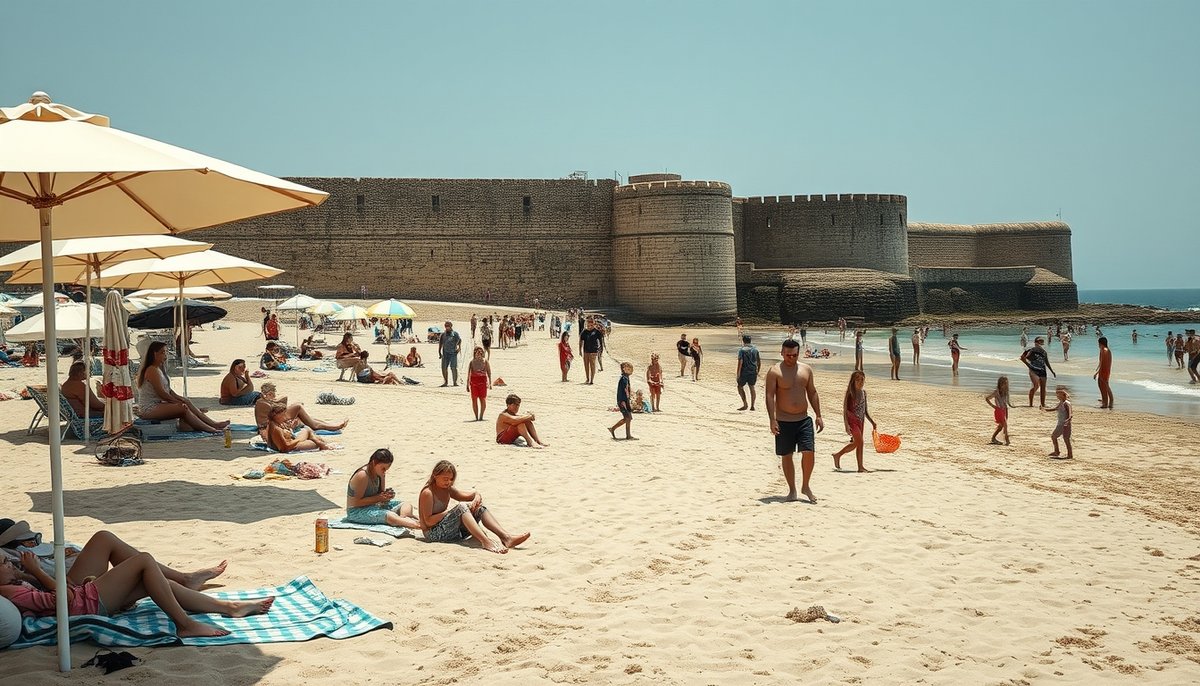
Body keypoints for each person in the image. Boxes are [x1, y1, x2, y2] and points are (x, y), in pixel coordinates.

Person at [0, 531, 270, 638]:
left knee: (151, 578)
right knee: (144, 562)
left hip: (82, 594)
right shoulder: (10, 593)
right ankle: (184, 625)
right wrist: (35, 571)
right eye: (4, 562)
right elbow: (63, 599)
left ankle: (228, 606)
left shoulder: (13, 584)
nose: (10, 563)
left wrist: (25, 574)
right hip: (85, 601)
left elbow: (50, 595)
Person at [418, 460, 530, 554]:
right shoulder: (428, 493)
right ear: (435, 475)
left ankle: (506, 538)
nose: (449, 482)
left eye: (451, 479)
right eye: (445, 479)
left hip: (449, 530)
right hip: (433, 534)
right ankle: (486, 542)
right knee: (461, 507)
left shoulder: (447, 488)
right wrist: (449, 512)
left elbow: (469, 495)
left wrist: (477, 496)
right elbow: (428, 521)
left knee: (478, 509)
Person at [765, 339, 824, 503]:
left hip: (803, 419)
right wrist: (772, 419)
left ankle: (806, 485)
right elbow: (769, 395)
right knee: (787, 455)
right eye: (788, 355)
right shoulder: (775, 371)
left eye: (795, 355)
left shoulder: (806, 369)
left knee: (809, 452)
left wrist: (818, 415)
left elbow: (812, 392)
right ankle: (792, 490)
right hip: (783, 420)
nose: (791, 358)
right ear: (782, 353)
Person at [136, 342, 229, 433]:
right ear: (154, 354)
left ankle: (213, 424)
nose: (165, 355)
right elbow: (162, 393)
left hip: (159, 404)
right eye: (162, 352)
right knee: (182, 407)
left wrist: (181, 399)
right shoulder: (152, 370)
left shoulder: (159, 368)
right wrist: (177, 402)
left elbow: (168, 390)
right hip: (149, 408)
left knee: (186, 402)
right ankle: (210, 428)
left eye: (166, 352)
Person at [344, 448, 421, 528]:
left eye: (386, 469)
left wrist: (387, 496)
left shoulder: (380, 473)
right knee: (389, 516)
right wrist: (379, 498)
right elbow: (355, 503)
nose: (384, 471)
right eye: (383, 468)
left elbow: (380, 495)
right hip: (357, 511)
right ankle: (414, 524)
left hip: (374, 505)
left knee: (406, 505)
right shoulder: (362, 475)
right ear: (374, 463)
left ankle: (403, 520)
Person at [254, 382, 347, 439]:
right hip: (270, 426)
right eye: (273, 394)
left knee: (304, 417)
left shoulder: (264, 401)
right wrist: (274, 400)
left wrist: (273, 400)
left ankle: (330, 425)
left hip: (274, 424)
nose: (275, 396)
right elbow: (283, 404)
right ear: (269, 393)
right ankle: (331, 426)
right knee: (298, 406)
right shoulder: (263, 403)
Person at [831, 370, 875, 472]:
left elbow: (865, 410)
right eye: (858, 380)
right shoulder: (850, 393)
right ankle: (838, 455)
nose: (860, 382)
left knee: (859, 444)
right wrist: (846, 425)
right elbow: (845, 410)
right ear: (853, 381)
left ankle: (859, 466)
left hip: (861, 421)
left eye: (862, 380)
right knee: (859, 442)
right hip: (852, 421)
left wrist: (872, 422)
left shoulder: (864, 393)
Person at [263, 402, 333, 452]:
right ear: (276, 415)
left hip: (289, 444)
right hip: (291, 447)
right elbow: (284, 448)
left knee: (308, 431)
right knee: (316, 441)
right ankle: (322, 444)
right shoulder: (275, 428)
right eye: (283, 414)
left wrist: (290, 429)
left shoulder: (274, 423)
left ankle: (320, 443)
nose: (285, 417)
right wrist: (298, 440)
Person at [1020, 337, 1056, 407]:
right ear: (1036, 342)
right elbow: (1022, 357)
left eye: (1042, 341)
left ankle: (1042, 404)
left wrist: (1052, 371)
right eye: (1040, 341)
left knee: (1043, 388)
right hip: (1034, 370)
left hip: (1043, 370)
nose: (1041, 342)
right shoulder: (1032, 350)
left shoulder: (1044, 352)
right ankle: (1031, 404)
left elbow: (1047, 362)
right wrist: (1029, 366)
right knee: (1036, 386)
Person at [608, 361, 636, 440]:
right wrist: (625, 402)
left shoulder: (626, 378)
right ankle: (613, 428)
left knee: (629, 418)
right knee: (627, 417)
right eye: (630, 369)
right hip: (623, 401)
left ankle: (628, 435)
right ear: (624, 369)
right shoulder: (624, 379)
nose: (631, 370)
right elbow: (624, 390)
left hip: (625, 401)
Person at [1044, 387, 1073, 459]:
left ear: (1063, 395)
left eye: (1059, 395)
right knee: (1056, 437)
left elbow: (1070, 413)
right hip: (1060, 424)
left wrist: (1068, 419)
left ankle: (1068, 454)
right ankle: (1057, 451)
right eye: (1057, 395)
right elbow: (1055, 409)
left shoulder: (1067, 403)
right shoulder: (1061, 403)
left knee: (1065, 439)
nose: (1057, 397)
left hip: (1064, 424)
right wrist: (1045, 409)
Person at [985, 376, 1015, 445]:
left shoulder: (1006, 392)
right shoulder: (996, 392)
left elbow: (1007, 401)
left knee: (1001, 426)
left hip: (1004, 410)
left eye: (1007, 383)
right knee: (1005, 424)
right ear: (1000, 384)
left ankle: (993, 438)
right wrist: (993, 406)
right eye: (1005, 383)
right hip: (999, 410)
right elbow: (987, 398)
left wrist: (1011, 406)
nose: (1006, 385)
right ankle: (1007, 439)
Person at [467, 346, 492, 421]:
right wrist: (467, 384)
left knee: (482, 399)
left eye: (481, 352)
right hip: (474, 382)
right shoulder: (471, 362)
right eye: (478, 352)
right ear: (474, 353)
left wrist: (490, 383)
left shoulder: (485, 361)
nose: (479, 353)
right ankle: (476, 417)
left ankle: (481, 416)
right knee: (474, 400)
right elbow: (469, 373)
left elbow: (489, 372)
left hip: (483, 382)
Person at [736, 334, 761, 411]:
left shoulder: (742, 350)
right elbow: (759, 361)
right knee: (752, 387)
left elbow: (740, 362)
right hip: (753, 371)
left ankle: (745, 404)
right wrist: (758, 370)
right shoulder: (755, 349)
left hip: (744, 371)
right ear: (750, 341)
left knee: (740, 387)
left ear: (743, 341)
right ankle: (752, 406)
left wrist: (738, 374)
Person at [580, 318, 604, 385]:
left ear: (594, 324)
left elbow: (601, 342)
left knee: (592, 365)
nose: (589, 327)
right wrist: (580, 350)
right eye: (588, 325)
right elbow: (581, 341)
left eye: (591, 325)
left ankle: (592, 380)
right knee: (586, 365)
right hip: (585, 351)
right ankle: (587, 378)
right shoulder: (584, 332)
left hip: (594, 351)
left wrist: (601, 349)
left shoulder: (597, 332)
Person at [439, 320, 462, 387]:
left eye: (448, 325)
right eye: (446, 326)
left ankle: (455, 382)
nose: (447, 327)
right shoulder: (443, 334)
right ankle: (445, 382)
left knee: (453, 367)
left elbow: (460, 340)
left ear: (451, 326)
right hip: (445, 353)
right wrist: (439, 352)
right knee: (444, 367)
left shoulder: (455, 334)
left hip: (453, 353)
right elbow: (440, 343)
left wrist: (459, 348)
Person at [1094, 336, 1114, 409]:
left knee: (1103, 385)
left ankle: (1105, 403)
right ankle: (1106, 400)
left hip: (1104, 370)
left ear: (1100, 343)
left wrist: (1098, 372)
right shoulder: (1105, 350)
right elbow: (1101, 362)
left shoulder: (1104, 350)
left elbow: (1103, 363)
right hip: (1105, 370)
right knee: (1104, 385)